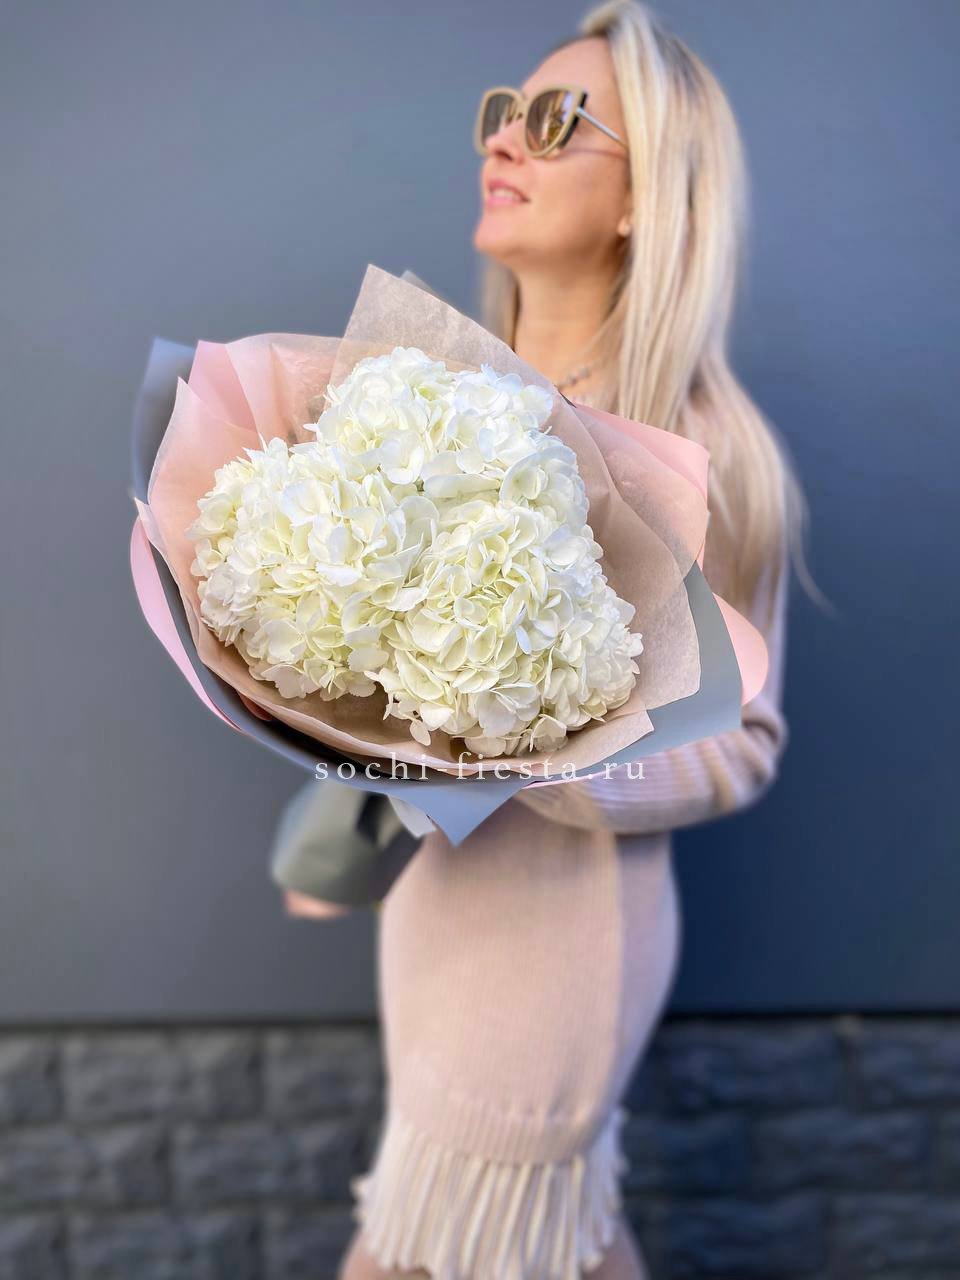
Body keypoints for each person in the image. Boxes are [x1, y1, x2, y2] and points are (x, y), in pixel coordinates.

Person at [327, 2, 815, 1275]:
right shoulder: (430, 398)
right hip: (436, 909)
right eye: (502, 114)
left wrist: (550, 758)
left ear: (648, 196)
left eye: (554, 121)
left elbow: (746, 742)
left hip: (562, 936)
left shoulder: (703, 448)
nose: (505, 141)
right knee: (545, 1246)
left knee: (453, 1245)